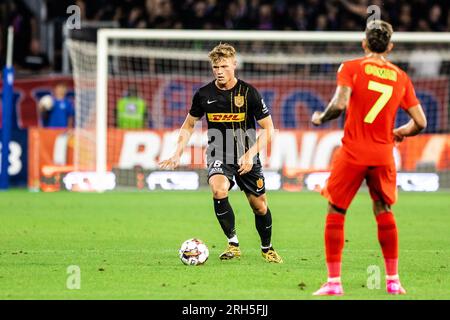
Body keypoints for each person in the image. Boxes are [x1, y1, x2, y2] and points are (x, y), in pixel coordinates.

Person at [311, 20, 427, 296]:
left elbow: (339, 104)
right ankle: (393, 281)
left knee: (336, 210)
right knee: (384, 211)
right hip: (383, 153)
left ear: (364, 44)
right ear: (390, 47)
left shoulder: (351, 67)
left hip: (352, 152)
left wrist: (320, 117)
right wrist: (400, 132)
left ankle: (334, 283)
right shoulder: (400, 76)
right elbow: (420, 122)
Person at [159, 43, 283, 263]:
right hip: (219, 151)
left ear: (234, 65)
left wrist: (249, 154)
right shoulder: (204, 94)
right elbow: (188, 125)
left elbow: (269, 129)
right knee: (218, 190)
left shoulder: (249, 93)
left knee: (259, 205)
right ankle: (233, 243)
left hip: (247, 154)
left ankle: (267, 248)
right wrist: (177, 152)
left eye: (224, 66)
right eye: (215, 66)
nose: (219, 70)